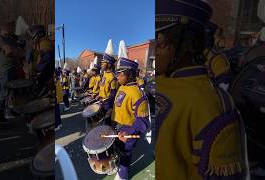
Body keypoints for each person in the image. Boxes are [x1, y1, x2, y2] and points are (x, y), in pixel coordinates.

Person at [155, 0, 248, 179]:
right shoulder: (160, 80)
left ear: (186, 44)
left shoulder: (207, 102)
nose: (154, 53)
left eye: (160, 44)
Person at [112, 40, 150, 180]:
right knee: (118, 150)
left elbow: (143, 121)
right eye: (117, 73)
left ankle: (123, 175)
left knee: (125, 153)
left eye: (120, 73)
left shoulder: (138, 94)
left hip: (129, 129)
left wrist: (129, 133)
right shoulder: (122, 87)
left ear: (129, 74)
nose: (118, 76)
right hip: (118, 125)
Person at [0, 21, 24, 123]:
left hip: (14, 67)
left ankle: (11, 110)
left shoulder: (10, 39)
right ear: (4, 27)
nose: (12, 29)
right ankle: (0, 114)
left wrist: (14, 51)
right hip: (5, 69)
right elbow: (9, 51)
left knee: (12, 92)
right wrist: (15, 51)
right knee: (4, 92)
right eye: (10, 27)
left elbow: (20, 52)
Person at [96, 39, 117, 119]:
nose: (101, 64)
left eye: (103, 62)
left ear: (108, 63)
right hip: (102, 101)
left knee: (107, 123)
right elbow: (102, 88)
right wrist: (99, 95)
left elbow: (113, 93)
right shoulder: (105, 75)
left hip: (107, 104)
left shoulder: (112, 77)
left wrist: (108, 105)